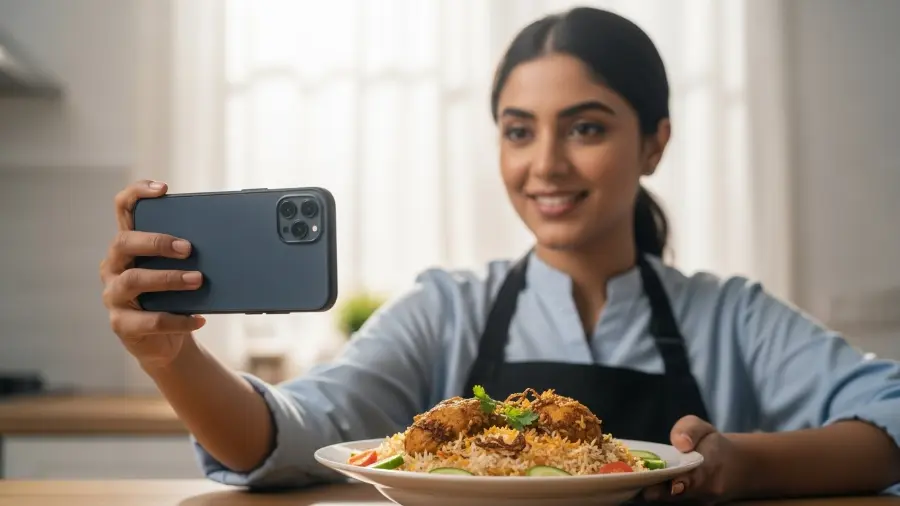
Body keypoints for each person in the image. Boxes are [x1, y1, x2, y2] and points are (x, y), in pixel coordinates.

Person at [99, 6, 900, 503]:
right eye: (519, 131)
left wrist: (741, 468)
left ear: (654, 143)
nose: (544, 164)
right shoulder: (449, 309)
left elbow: (892, 414)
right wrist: (174, 358)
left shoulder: (729, 316)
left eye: (586, 127)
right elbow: (291, 436)